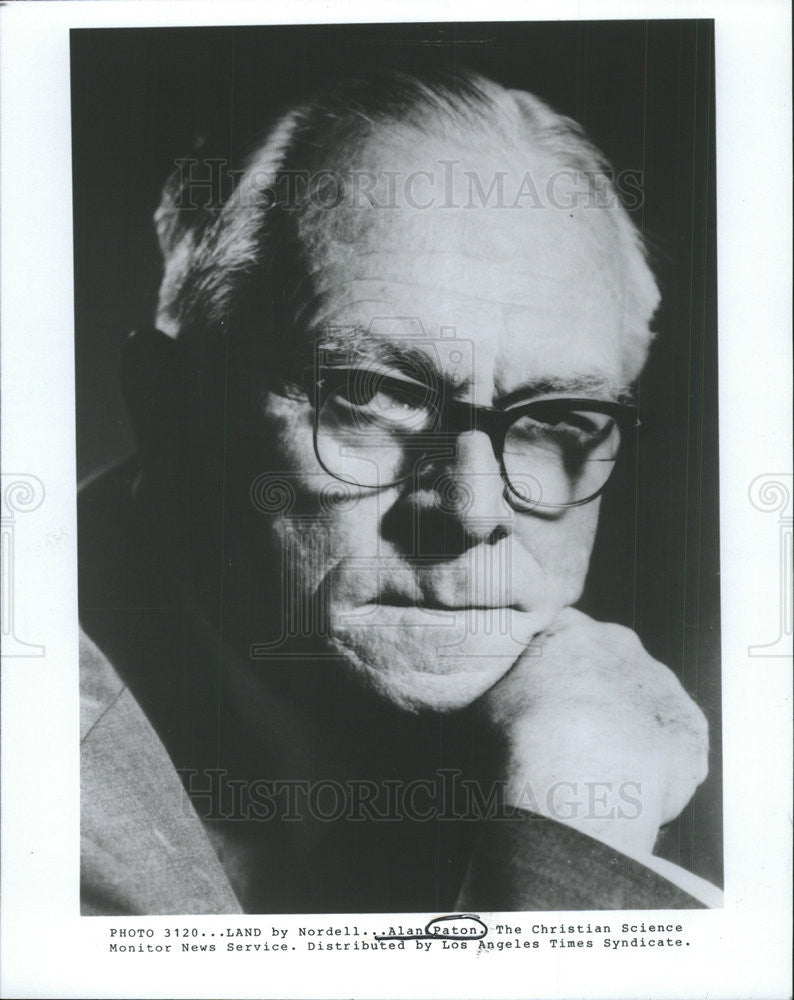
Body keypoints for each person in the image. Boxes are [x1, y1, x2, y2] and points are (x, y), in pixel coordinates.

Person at [79, 67, 722, 915]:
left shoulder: (620, 740)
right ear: (168, 408)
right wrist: (571, 854)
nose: (472, 510)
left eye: (556, 417)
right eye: (373, 394)